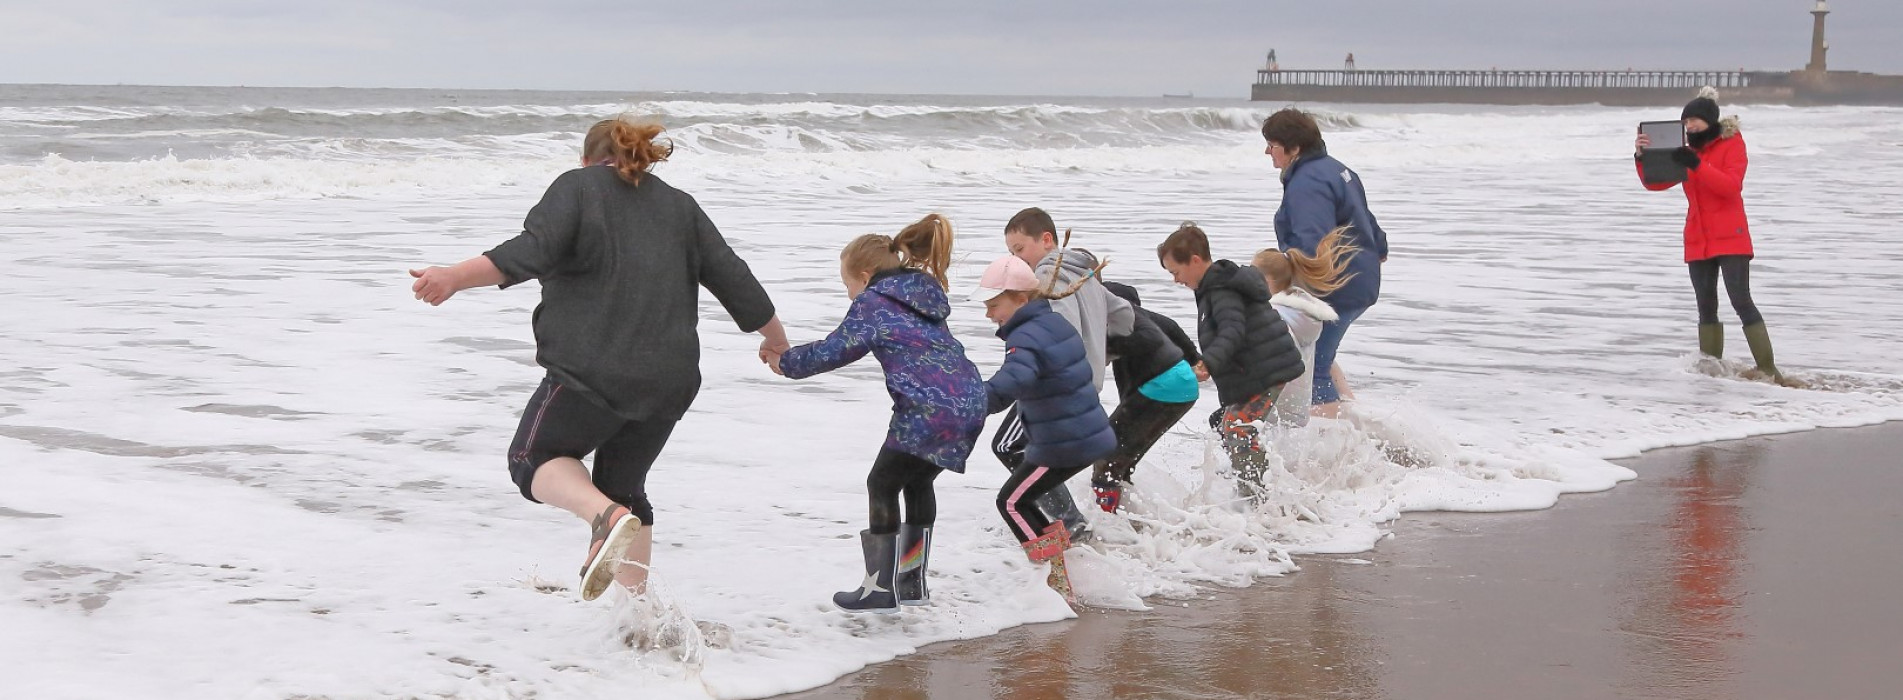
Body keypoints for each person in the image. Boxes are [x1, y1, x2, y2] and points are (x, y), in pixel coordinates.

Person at [408, 117, 787, 602]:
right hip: (669, 381)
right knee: (625, 488)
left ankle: (602, 519)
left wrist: (455, 277)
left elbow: (534, 249)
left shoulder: (578, 187)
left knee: (532, 458)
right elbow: (736, 279)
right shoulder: (681, 206)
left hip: (594, 370)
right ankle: (638, 621)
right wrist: (775, 340)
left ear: (587, 160)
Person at [769, 214, 987, 613]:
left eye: (847, 284)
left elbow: (836, 350)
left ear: (865, 275)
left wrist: (786, 362)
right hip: (969, 400)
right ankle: (911, 579)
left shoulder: (874, 302)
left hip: (926, 407)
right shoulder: (923, 294)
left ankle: (879, 588)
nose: (849, 294)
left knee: (881, 484)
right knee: (918, 483)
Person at [972, 255, 1118, 602]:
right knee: (1023, 499)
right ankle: (1061, 574)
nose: (989, 314)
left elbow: (1014, 380)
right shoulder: (1053, 324)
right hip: (1084, 435)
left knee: (1010, 503)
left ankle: (1052, 583)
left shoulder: (1026, 337)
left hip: (1064, 444)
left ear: (1021, 299)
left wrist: (972, 403)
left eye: (994, 305)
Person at [993, 207, 1135, 538]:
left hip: (1058, 386)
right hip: (1083, 384)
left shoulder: (1046, 277)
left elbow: (1057, 330)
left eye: (1019, 250)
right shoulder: (1085, 274)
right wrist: (1101, 356)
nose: (1017, 260)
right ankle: (1065, 524)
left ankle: (1069, 524)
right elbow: (1125, 316)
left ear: (1046, 240)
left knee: (1008, 447)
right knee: (1023, 450)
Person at [1633, 87, 1789, 384]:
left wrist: (1696, 165)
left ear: (1710, 121)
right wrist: (1642, 156)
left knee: (1741, 300)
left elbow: (1730, 187)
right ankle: (1710, 373)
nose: (1689, 126)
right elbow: (1654, 184)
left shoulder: (1732, 145)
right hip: (1698, 237)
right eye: (1686, 121)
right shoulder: (1686, 152)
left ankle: (1769, 370)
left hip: (1731, 236)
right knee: (1706, 306)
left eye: (1695, 120)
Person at [1156, 223, 1305, 496]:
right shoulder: (1213, 286)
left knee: (1237, 430)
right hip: (1254, 369)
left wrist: (1208, 363)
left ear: (1195, 261)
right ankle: (1254, 484)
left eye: (1176, 272)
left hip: (1268, 369)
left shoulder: (1221, 289)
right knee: (1223, 425)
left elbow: (1232, 331)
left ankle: (1259, 502)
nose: (1175, 280)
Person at [1263, 108, 1389, 418]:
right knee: (1319, 353)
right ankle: (1357, 421)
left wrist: (1294, 295)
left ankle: (1331, 449)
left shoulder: (1307, 183)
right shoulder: (1337, 170)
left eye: (1273, 144)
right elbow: (1375, 234)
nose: (1267, 150)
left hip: (1335, 288)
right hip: (1361, 280)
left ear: (1294, 147)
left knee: (1313, 366)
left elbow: (1312, 247)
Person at [1090, 281, 1201, 512]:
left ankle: (1108, 520)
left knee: (1106, 454)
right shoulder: (1157, 321)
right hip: (1183, 388)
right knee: (1122, 457)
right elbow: (1194, 359)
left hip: (1160, 388)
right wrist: (1192, 363)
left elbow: (1124, 389)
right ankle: (1129, 513)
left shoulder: (1119, 329)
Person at [1254, 226, 1358, 423]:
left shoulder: (1277, 317)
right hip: (1297, 411)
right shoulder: (1303, 314)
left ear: (1265, 281)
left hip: (1276, 411)